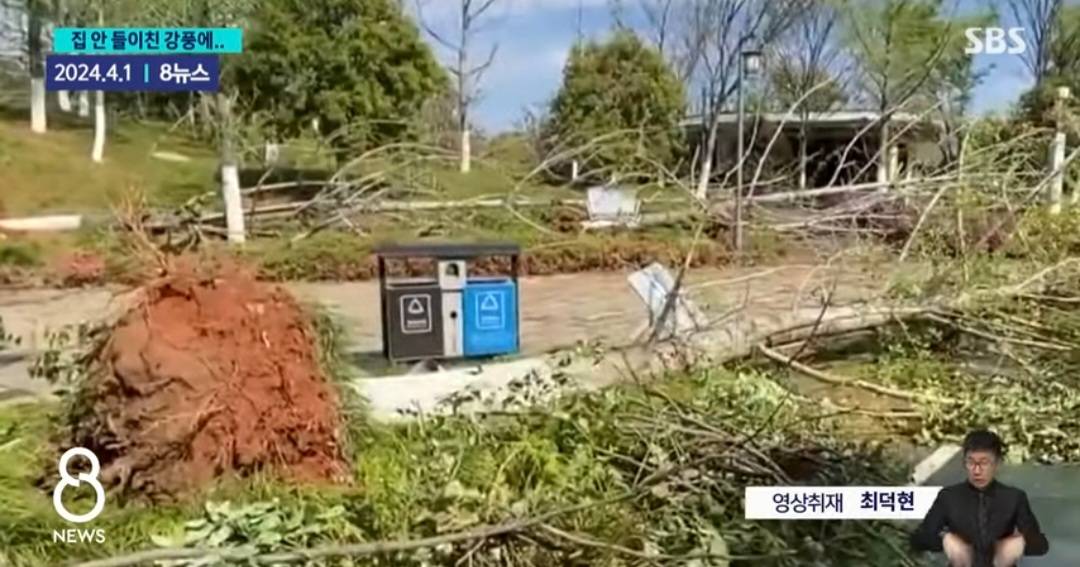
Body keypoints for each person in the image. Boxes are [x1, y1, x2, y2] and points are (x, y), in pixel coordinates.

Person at [910, 429, 1049, 567]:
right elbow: (919, 539)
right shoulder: (949, 497)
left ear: (997, 463)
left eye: (984, 463)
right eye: (971, 462)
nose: (977, 471)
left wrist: (1018, 544)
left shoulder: (1014, 498)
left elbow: (1041, 546)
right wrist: (946, 540)